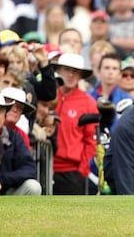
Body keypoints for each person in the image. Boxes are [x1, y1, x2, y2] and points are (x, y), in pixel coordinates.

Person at [52, 53, 98, 194]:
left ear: (80, 76)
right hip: (45, 165)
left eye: (76, 72)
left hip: (72, 171)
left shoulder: (88, 102)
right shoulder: (49, 96)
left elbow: (92, 140)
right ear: (58, 71)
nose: (71, 75)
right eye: (67, 69)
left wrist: (82, 169)